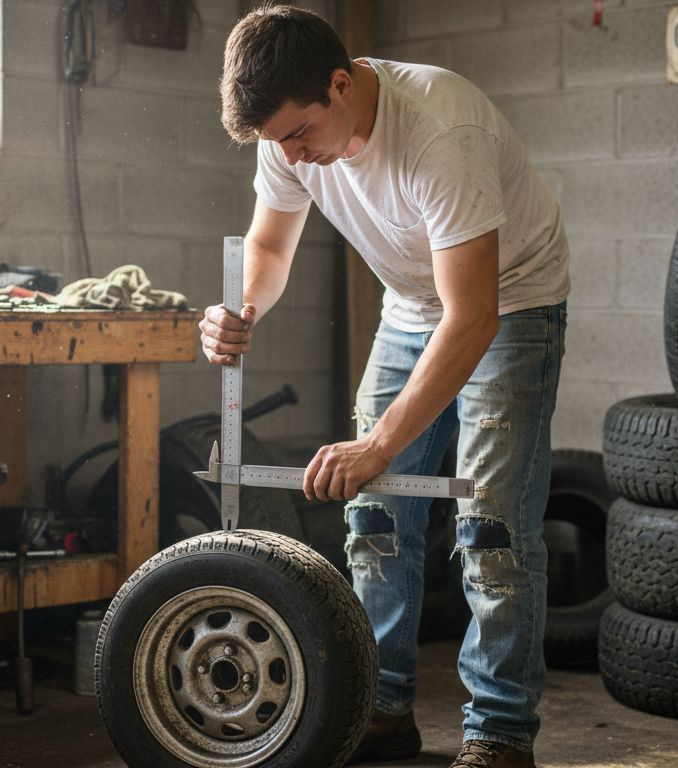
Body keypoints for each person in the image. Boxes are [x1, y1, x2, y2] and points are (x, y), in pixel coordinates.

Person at [200, 6, 569, 768]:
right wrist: (244, 308)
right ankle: (381, 706)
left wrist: (378, 442)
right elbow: (270, 242)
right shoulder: (288, 138)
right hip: (411, 304)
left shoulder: (441, 130)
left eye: (299, 135)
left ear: (340, 85)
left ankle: (499, 733)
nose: (292, 156)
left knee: (491, 527)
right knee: (373, 519)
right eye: (278, 145)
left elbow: (472, 319)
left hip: (511, 297)